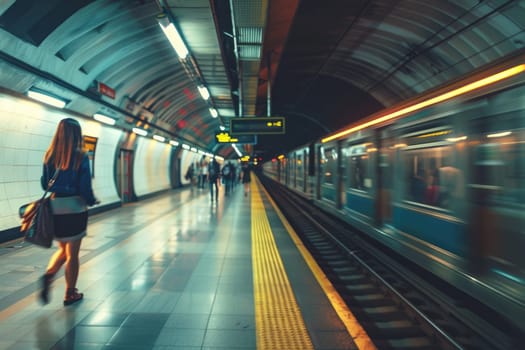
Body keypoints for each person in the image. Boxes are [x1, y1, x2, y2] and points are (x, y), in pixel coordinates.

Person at [40, 118, 99, 306]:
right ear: (77, 134)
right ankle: (70, 293)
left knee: (63, 249)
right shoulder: (81, 156)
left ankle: (49, 275)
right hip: (75, 206)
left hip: (56, 206)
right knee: (73, 253)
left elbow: (44, 184)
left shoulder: (49, 155)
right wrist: (91, 200)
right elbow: (84, 186)